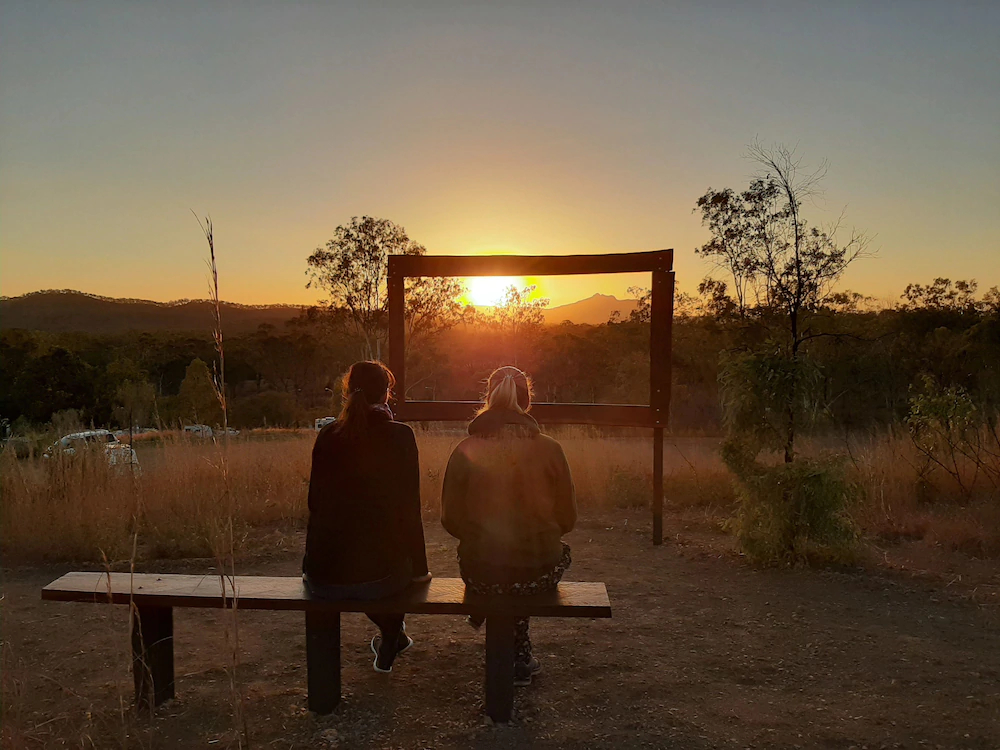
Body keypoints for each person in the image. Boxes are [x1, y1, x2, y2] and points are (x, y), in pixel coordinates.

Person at [441, 365, 576, 686]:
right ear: (526, 402)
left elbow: (450, 519)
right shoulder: (551, 449)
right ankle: (517, 656)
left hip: (481, 573)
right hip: (537, 573)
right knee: (531, 562)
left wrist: (482, 538)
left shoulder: (465, 449)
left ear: (489, 399)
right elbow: (568, 519)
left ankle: (511, 654)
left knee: (503, 571)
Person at [303, 360, 430, 673]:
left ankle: (393, 638)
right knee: (392, 573)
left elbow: (314, 503)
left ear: (347, 392)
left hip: (323, 577)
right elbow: (409, 509)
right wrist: (420, 570)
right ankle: (392, 636)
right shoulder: (400, 435)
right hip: (380, 577)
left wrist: (312, 563)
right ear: (386, 394)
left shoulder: (328, 435)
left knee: (377, 573)